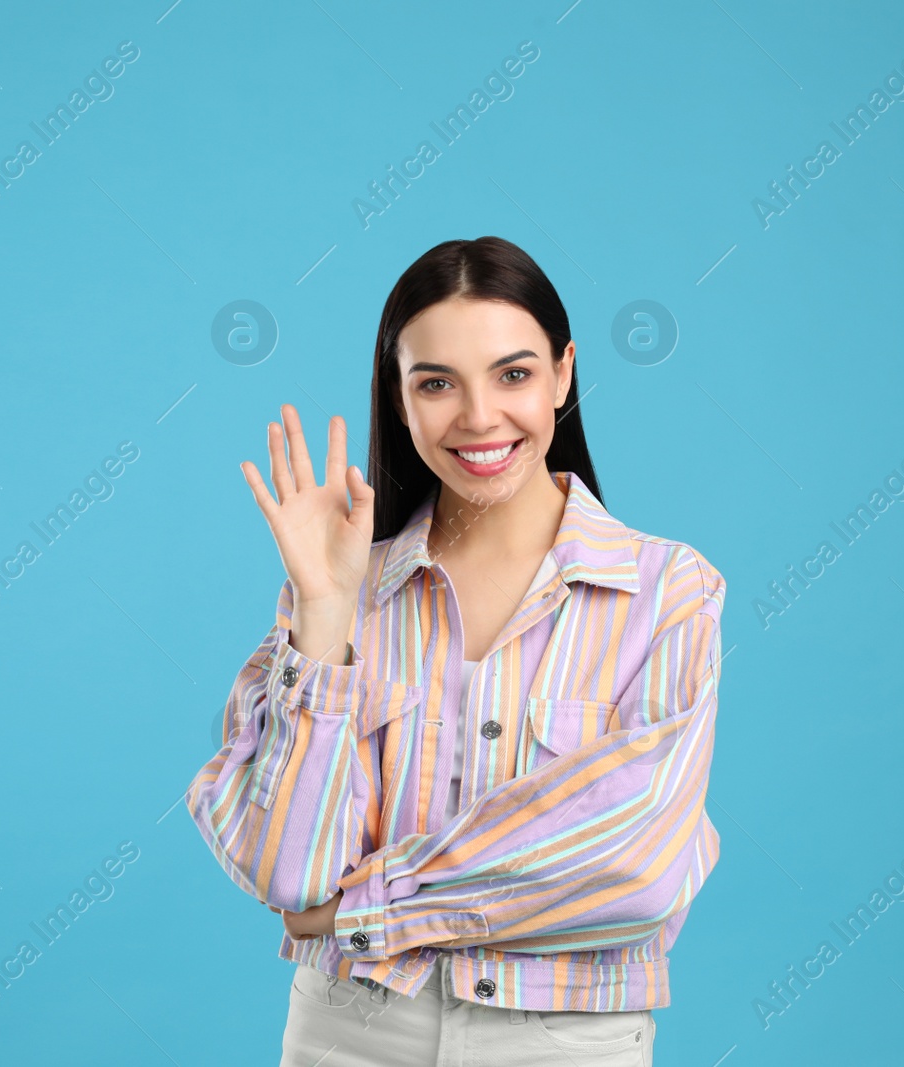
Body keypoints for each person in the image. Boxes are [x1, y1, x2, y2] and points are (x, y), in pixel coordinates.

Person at [184, 236, 726, 1066]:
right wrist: (327, 614)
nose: (478, 417)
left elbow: (632, 864)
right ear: (399, 399)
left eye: (513, 374)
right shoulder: (342, 591)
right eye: (436, 383)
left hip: (565, 1043)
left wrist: (366, 907)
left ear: (564, 373)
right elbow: (290, 874)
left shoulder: (666, 590)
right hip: (346, 1031)